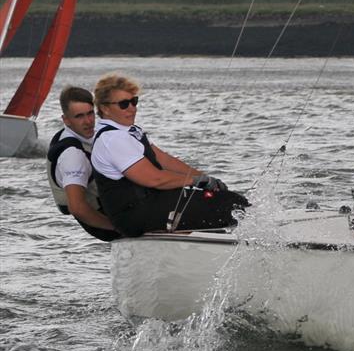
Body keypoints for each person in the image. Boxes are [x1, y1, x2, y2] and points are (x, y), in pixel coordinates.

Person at [90, 74, 249, 237]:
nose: (132, 108)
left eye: (134, 101)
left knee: (229, 200)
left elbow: (164, 160)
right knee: (232, 205)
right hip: (136, 216)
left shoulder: (130, 131)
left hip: (152, 205)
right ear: (105, 108)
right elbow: (154, 179)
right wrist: (194, 181)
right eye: (124, 104)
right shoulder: (113, 139)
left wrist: (204, 178)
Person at [47, 87, 121, 242]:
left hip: (115, 205)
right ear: (66, 120)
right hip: (105, 222)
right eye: (79, 116)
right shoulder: (72, 155)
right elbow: (77, 208)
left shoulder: (79, 134)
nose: (88, 121)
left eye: (90, 113)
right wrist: (118, 227)